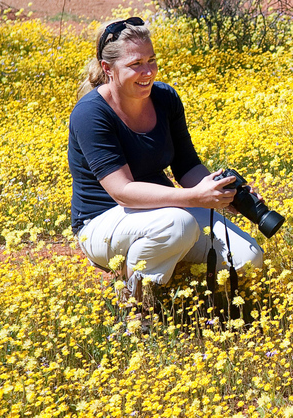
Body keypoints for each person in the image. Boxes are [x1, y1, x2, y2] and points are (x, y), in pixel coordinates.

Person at [68, 16, 263, 304]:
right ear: (108, 68)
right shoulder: (90, 113)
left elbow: (187, 166)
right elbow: (123, 192)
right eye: (135, 64)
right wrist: (196, 197)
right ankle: (136, 304)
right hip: (103, 221)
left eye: (152, 60)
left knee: (249, 257)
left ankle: (184, 291)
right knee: (177, 225)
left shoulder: (165, 98)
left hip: (166, 211)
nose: (147, 71)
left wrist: (221, 191)